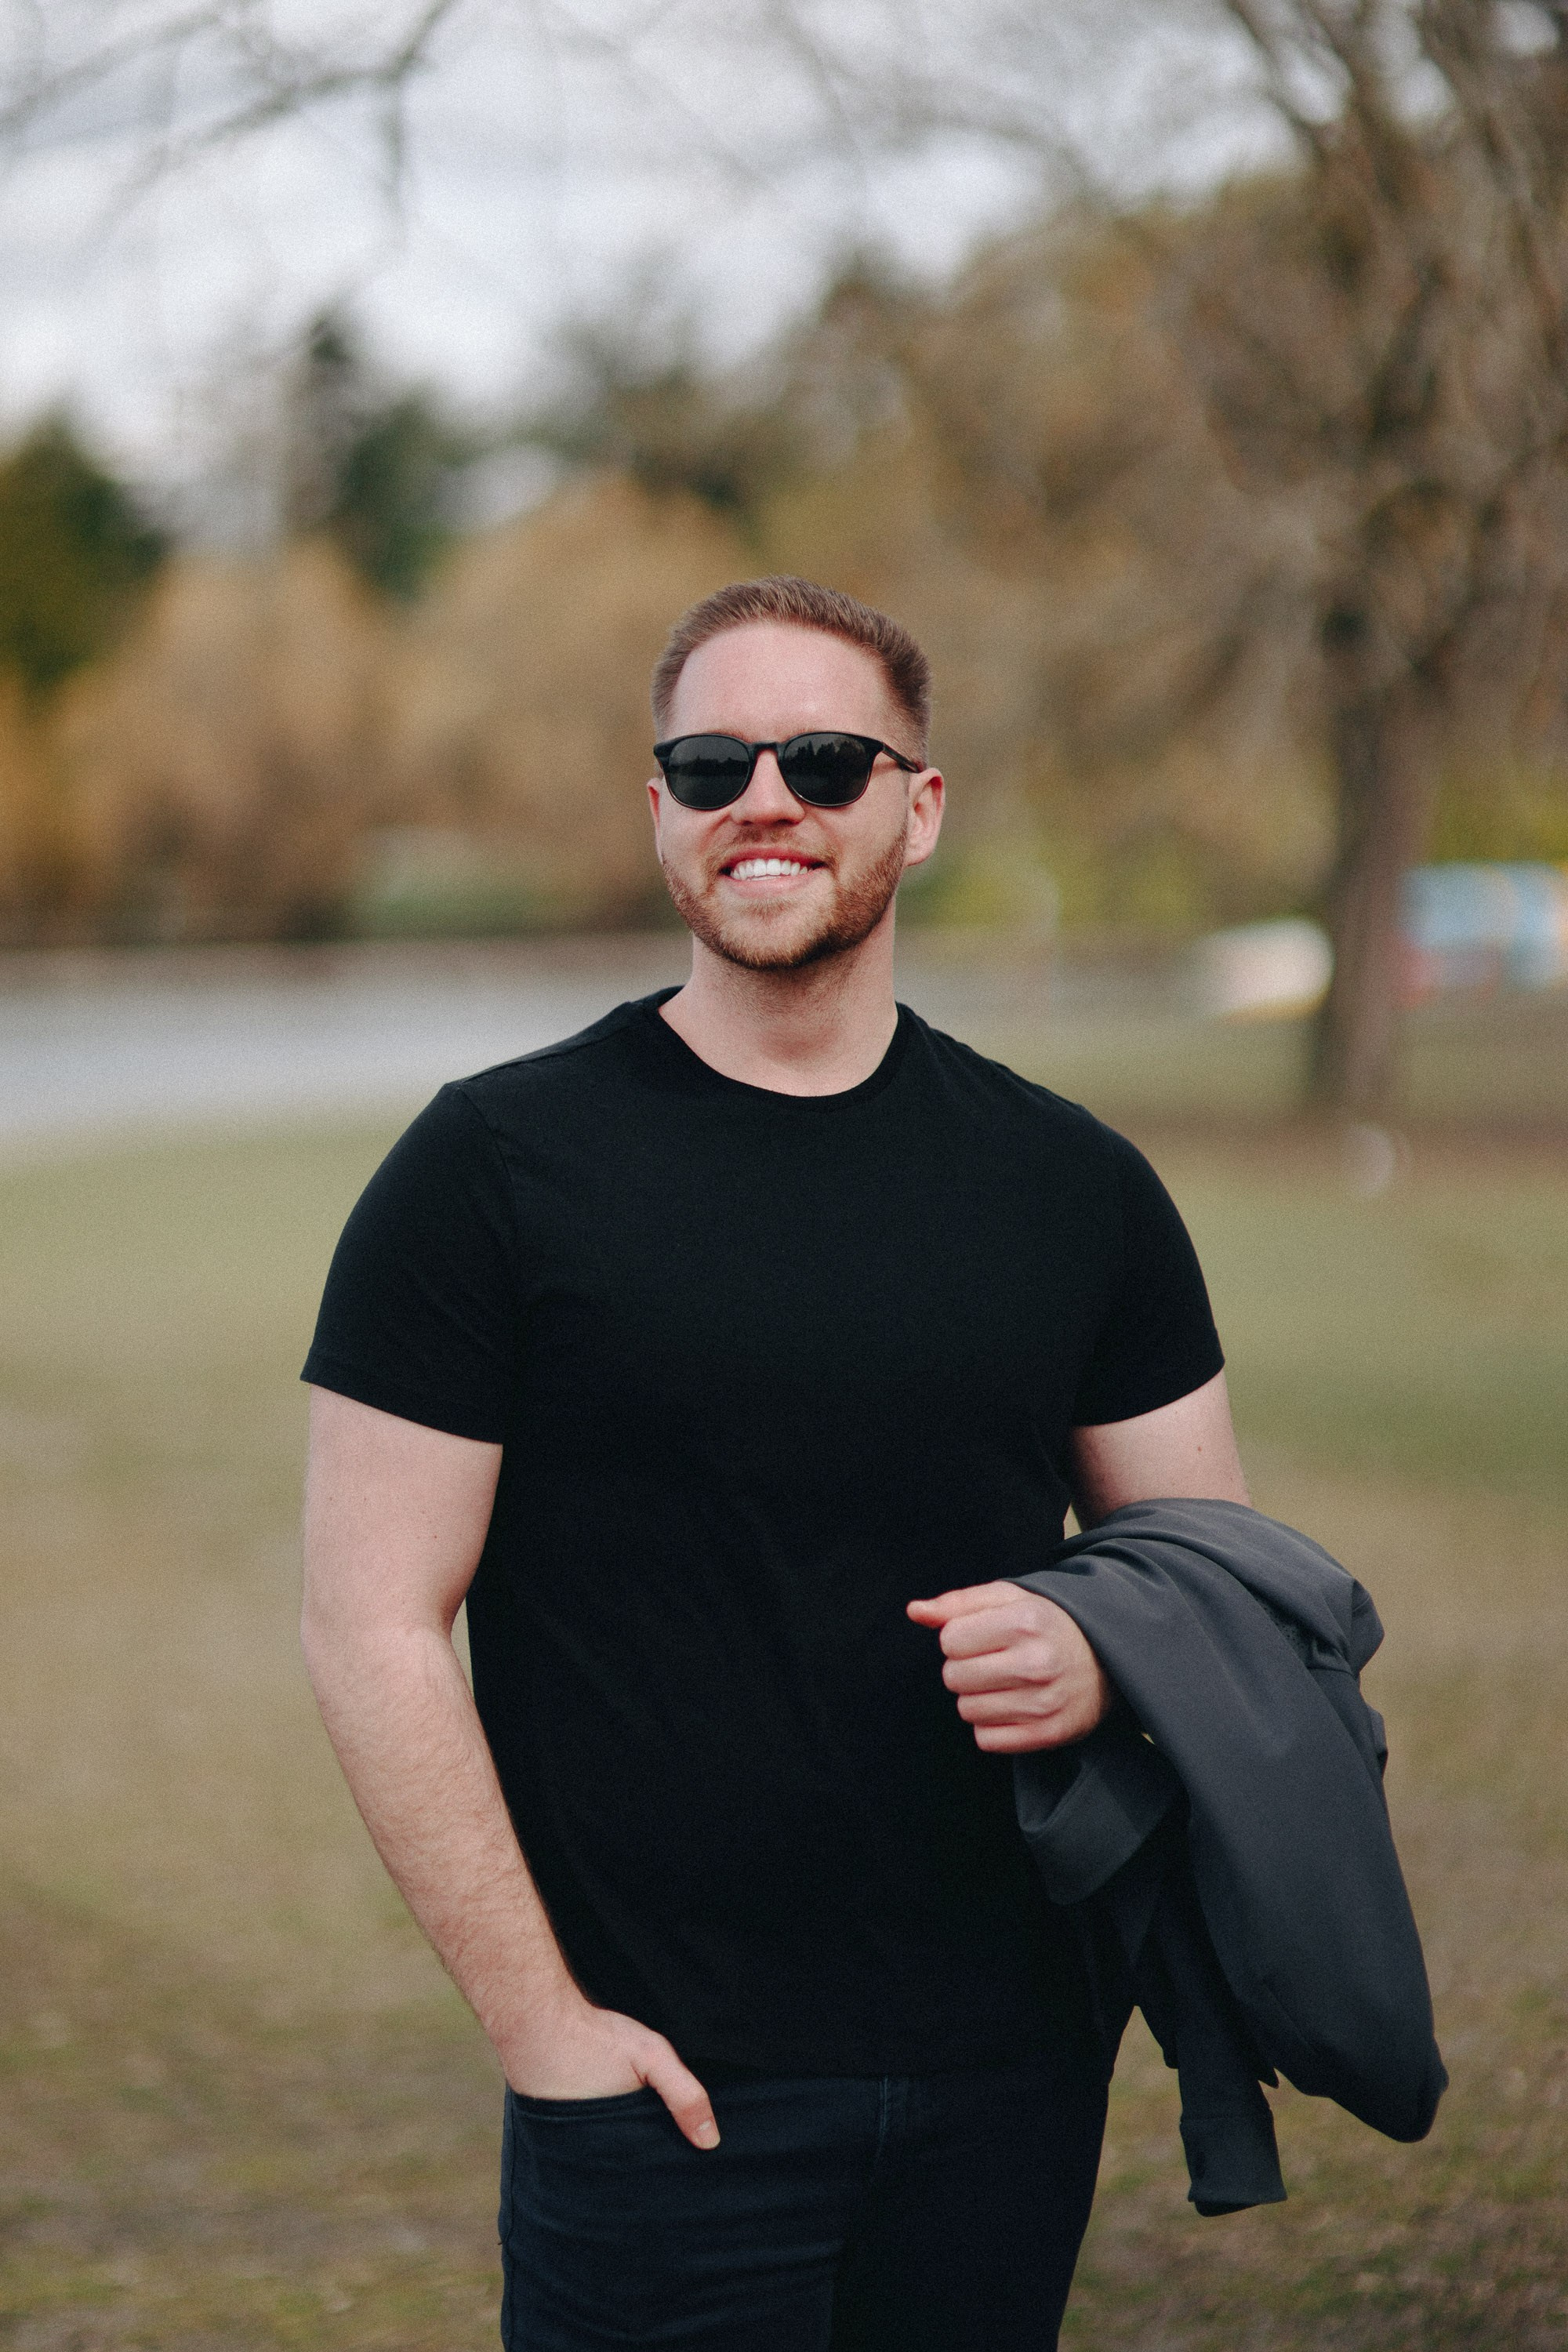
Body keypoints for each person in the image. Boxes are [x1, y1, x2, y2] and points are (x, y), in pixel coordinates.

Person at [300, 575, 1251, 2351]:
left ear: (921, 804)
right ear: (655, 804)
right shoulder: (486, 1172)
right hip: (657, 2100)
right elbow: (368, 1621)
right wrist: (539, 2027)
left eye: (823, 758)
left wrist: (1106, 1647)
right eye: (710, 758)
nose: (766, 798)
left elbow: (1221, 1586)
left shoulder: (1074, 1188)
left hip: (1008, 2081)